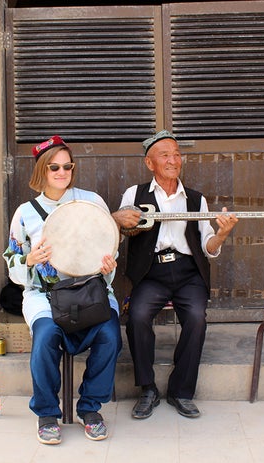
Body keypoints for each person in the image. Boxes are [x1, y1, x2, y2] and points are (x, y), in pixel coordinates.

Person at [3, 135, 122, 444]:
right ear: (42, 170)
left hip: (91, 290)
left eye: (67, 166)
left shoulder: (91, 202)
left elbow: (108, 245)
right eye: (54, 167)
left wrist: (109, 266)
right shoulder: (25, 213)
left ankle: (90, 408)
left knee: (110, 335)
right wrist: (29, 259)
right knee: (45, 338)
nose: (61, 172)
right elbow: (12, 259)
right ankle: (46, 413)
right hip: (45, 295)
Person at [111, 130, 238, 419]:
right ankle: (148, 389)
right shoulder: (134, 194)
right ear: (149, 163)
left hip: (187, 271)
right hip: (151, 272)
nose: (173, 160)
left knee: (196, 318)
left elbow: (208, 246)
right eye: (165, 155)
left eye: (177, 154)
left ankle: (181, 391)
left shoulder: (196, 199)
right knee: (138, 317)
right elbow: (122, 231)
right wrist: (119, 221)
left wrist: (222, 234)